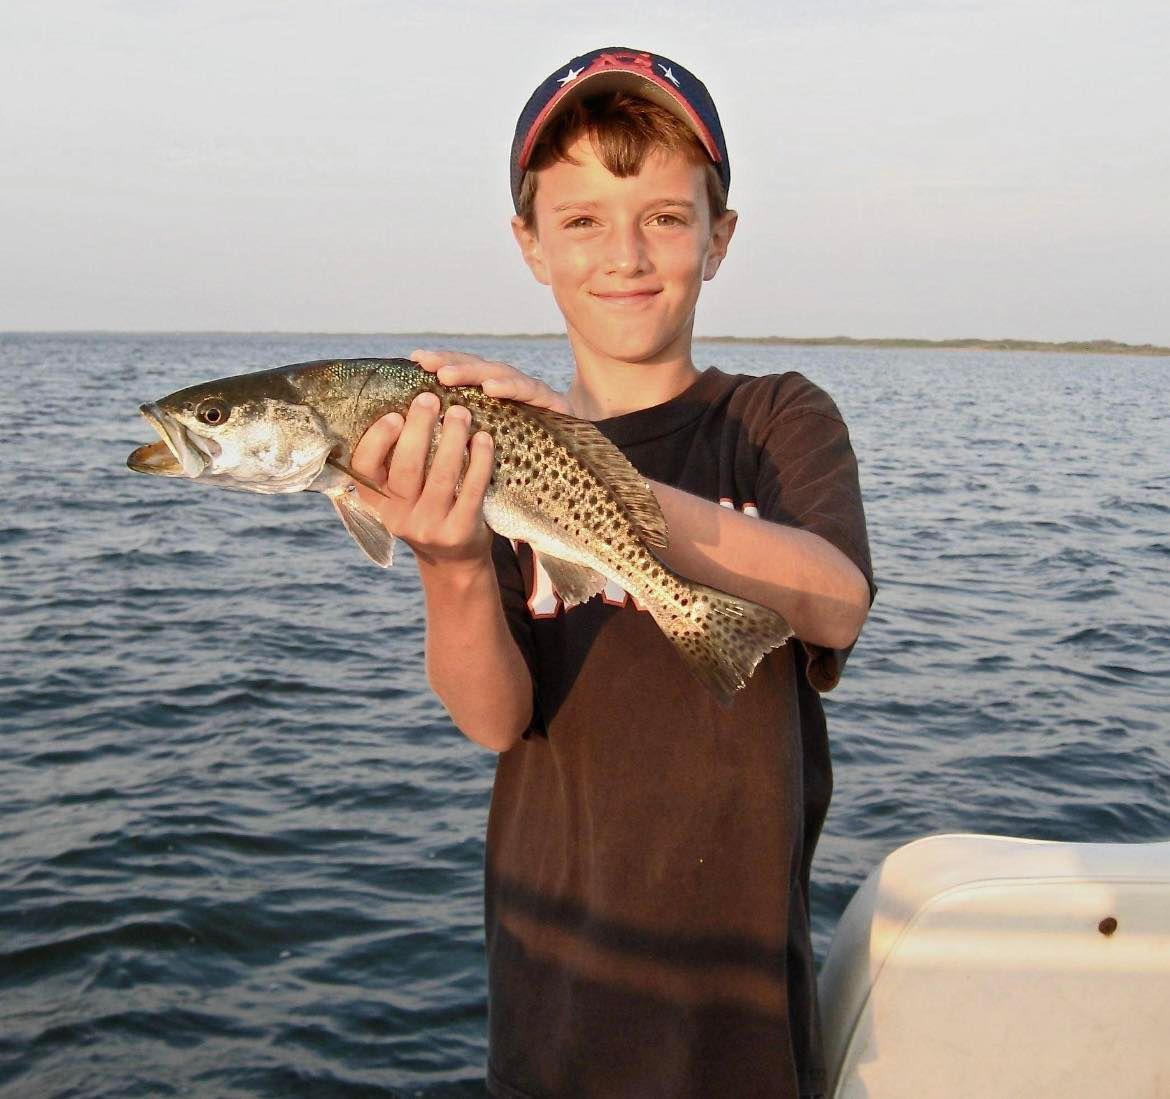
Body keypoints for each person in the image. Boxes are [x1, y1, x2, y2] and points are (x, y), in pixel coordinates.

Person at [351, 46, 874, 1099]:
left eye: (666, 218)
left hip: (742, 1015)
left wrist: (589, 477)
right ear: (530, 244)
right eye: (581, 219)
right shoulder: (478, 450)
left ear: (719, 239)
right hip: (557, 1004)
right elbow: (494, 718)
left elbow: (835, 598)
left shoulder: (774, 420)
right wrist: (449, 558)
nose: (624, 253)